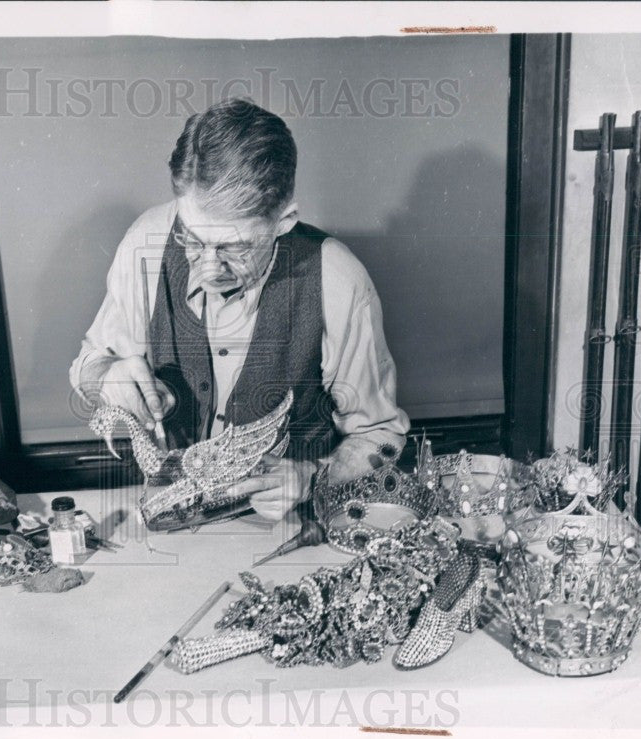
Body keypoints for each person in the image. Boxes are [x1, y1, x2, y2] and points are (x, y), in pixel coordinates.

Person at [70, 97, 409, 521]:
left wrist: (313, 478)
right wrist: (107, 378)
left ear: (284, 220)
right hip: (173, 521)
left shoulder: (340, 282)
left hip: (291, 526)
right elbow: (87, 366)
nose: (209, 268)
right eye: (192, 238)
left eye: (234, 247)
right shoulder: (148, 241)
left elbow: (381, 435)